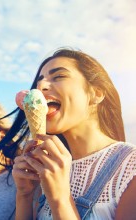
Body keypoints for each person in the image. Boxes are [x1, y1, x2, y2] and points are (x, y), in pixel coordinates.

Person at [10, 48, 136, 219]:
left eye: (59, 76)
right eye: (39, 82)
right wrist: (24, 195)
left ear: (96, 93)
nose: (40, 87)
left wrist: (60, 198)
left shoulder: (129, 166)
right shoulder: (46, 165)